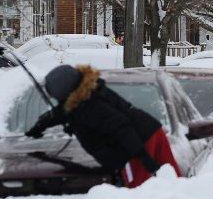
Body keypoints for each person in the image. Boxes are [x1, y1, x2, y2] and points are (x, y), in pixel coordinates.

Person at [25, 64, 181, 188]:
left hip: (137, 144)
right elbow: (61, 113)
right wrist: (40, 125)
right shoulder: (84, 97)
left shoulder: (91, 107)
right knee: (174, 181)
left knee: (138, 192)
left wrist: (143, 157)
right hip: (151, 130)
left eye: (53, 94)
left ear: (64, 91)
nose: (53, 98)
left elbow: (122, 127)